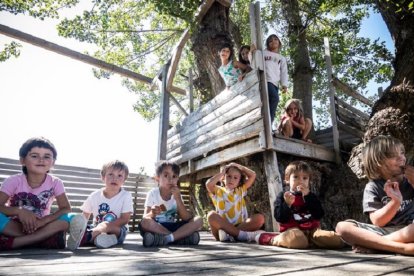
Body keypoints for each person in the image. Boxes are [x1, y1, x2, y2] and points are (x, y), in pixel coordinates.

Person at [0, 137, 87, 251]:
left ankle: (15, 243)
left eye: (46, 156)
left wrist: (43, 221)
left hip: (42, 226)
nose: (41, 160)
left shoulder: (55, 182)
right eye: (34, 156)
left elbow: (66, 208)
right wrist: (19, 210)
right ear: (23, 160)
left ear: (53, 162)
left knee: (71, 217)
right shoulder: (13, 181)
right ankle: (42, 240)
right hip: (14, 226)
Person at [336, 135, 414, 255]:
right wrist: (395, 202)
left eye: (402, 153)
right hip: (385, 231)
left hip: (410, 228)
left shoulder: (410, 180)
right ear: (378, 163)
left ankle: (379, 245)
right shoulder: (373, 187)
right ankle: (402, 248)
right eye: (393, 155)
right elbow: (378, 222)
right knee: (343, 227)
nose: (402, 158)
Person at [256, 161, 343, 249]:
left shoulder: (311, 196)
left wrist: (308, 197)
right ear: (287, 179)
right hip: (292, 231)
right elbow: (280, 218)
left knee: (335, 239)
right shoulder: (283, 196)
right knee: (297, 240)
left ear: (309, 181)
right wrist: (287, 204)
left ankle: (310, 241)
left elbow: (319, 215)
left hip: (313, 231)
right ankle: (272, 239)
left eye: (305, 178)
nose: (300, 181)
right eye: (296, 177)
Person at [140, 161, 202, 247]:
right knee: (145, 222)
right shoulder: (153, 194)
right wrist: (152, 213)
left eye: (174, 176)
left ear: (177, 179)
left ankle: (162, 239)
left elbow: (186, 218)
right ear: (158, 178)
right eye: (166, 176)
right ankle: (177, 238)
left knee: (199, 220)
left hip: (173, 226)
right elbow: (146, 217)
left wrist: (178, 199)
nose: (170, 180)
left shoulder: (177, 195)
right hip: (157, 227)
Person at [79, 160, 133, 249]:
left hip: (118, 230)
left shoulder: (126, 195)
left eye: (119, 176)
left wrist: (106, 226)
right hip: (96, 228)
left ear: (124, 180)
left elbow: (125, 219)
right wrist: (81, 228)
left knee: (106, 225)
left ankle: (85, 238)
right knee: (89, 228)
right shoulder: (94, 196)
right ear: (103, 177)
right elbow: (85, 216)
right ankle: (103, 240)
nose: (114, 178)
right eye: (111, 174)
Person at [206, 162, 265, 242]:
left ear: (239, 181)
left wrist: (239, 166)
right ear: (223, 178)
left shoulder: (240, 190)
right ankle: (241, 235)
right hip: (221, 228)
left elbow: (253, 175)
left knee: (260, 218)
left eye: (235, 178)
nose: (231, 180)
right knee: (211, 215)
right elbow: (208, 184)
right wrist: (222, 172)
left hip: (240, 226)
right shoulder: (218, 190)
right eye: (229, 176)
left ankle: (232, 235)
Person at [251, 34, 288, 123]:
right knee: (275, 98)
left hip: (275, 83)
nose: (273, 41)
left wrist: (284, 85)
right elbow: (254, 63)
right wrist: (253, 52)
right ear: (267, 44)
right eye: (270, 41)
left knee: (271, 102)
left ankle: (266, 122)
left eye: (275, 39)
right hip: (266, 80)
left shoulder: (281, 58)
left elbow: (284, 71)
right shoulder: (263, 53)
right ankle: (269, 123)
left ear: (279, 42)